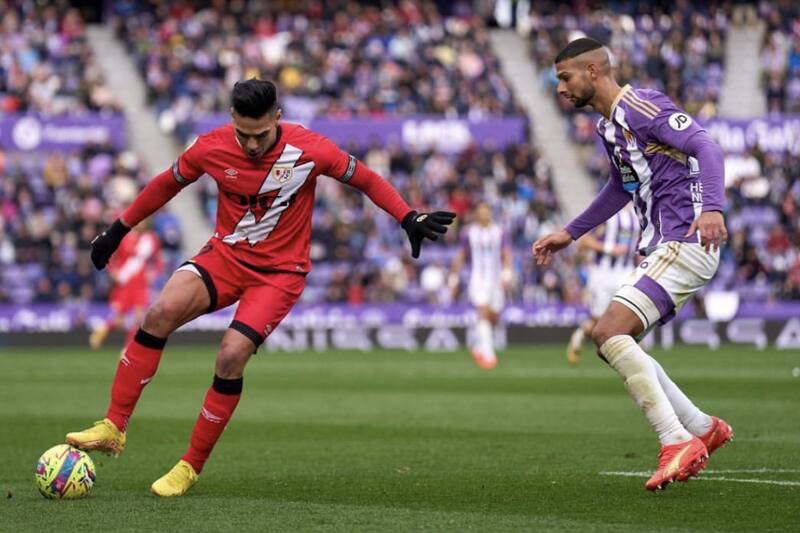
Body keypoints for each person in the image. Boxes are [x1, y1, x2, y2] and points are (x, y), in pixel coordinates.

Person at [66, 79, 455, 497]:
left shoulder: (310, 149)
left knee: (230, 356)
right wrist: (118, 229)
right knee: (159, 313)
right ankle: (114, 426)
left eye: (261, 135)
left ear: (278, 118)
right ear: (232, 119)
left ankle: (189, 466)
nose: (251, 145)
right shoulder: (212, 146)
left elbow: (366, 179)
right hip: (226, 256)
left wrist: (406, 217)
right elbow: (166, 182)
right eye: (244, 134)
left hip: (279, 273)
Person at [533, 38, 732, 491]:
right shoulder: (609, 128)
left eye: (566, 78)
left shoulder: (643, 107)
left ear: (594, 71)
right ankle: (700, 427)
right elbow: (622, 188)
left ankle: (676, 440)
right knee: (616, 341)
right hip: (667, 245)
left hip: (684, 239)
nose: (561, 88)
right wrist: (572, 231)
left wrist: (713, 207)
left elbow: (707, 147)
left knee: (607, 333)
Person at [566, 203, 638, 365]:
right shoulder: (608, 214)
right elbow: (583, 241)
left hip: (627, 272)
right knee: (599, 320)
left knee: (630, 314)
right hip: (603, 274)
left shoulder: (639, 214)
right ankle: (580, 335)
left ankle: (631, 356)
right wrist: (609, 248)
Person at [448, 202, 513, 370]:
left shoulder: (500, 231)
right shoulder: (469, 232)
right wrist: (454, 277)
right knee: (483, 312)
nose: (484, 214)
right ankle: (488, 353)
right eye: (481, 211)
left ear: (490, 212)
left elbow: (506, 253)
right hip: (477, 279)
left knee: (494, 316)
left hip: (496, 279)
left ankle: (478, 346)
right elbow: (461, 255)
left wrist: (507, 273)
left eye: (487, 211)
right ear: (477, 214)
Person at [89, 222, 163, 351]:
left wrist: (153, 273)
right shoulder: (124, 238)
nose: (141, 223)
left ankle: (128, 348)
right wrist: (112, 271)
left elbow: (158, 260)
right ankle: (104, 328)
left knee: (139, 318)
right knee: (119, 322)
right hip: (124, 283)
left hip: (140, 284)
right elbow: (111, 256)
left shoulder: (150, 239)